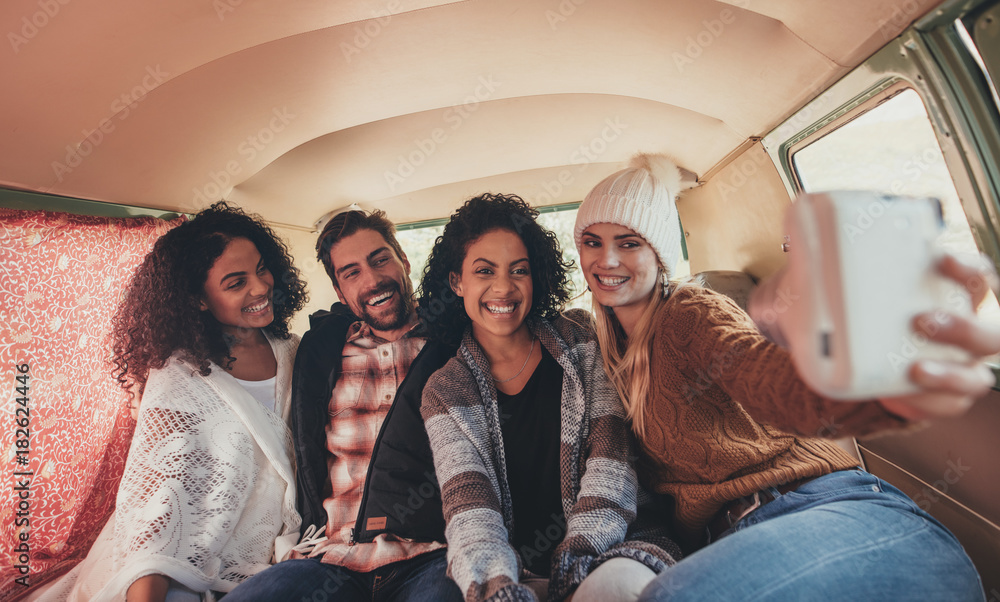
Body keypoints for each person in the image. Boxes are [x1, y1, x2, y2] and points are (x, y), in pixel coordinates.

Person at [572, 153, 995, 600]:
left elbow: (772, 381)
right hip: (735, 543)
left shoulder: (692, 313)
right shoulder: (597, 344)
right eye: (592, 242)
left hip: (819, 507)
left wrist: (867, 386)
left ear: (659, 253)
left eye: (629, 242)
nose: (607, 259)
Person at [29, 202, 307, 602]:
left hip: (278, 552)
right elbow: (158, 499)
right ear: (198, 300)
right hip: (180, 558)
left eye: (262, 269)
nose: (261, 287)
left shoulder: (297, 352)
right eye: (236, 282)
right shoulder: (179, 378)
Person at [418, 193, 680, 602]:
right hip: (516, 569)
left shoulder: (580, 340)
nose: (503, 288)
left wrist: (577, 557)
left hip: (618, 545)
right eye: (484, 271)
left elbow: (613, 463)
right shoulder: (445, 391)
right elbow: (469, 510)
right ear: (457, 282)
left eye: (518, 270)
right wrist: (497, 588)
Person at [225, 209, 463, 601]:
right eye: (351, 272)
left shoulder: (457, 343)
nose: (371, 280)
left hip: (433, 554)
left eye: (379, 259)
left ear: (403, 260)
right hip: (332, 557)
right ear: (339, 291)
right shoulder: (319, 353)